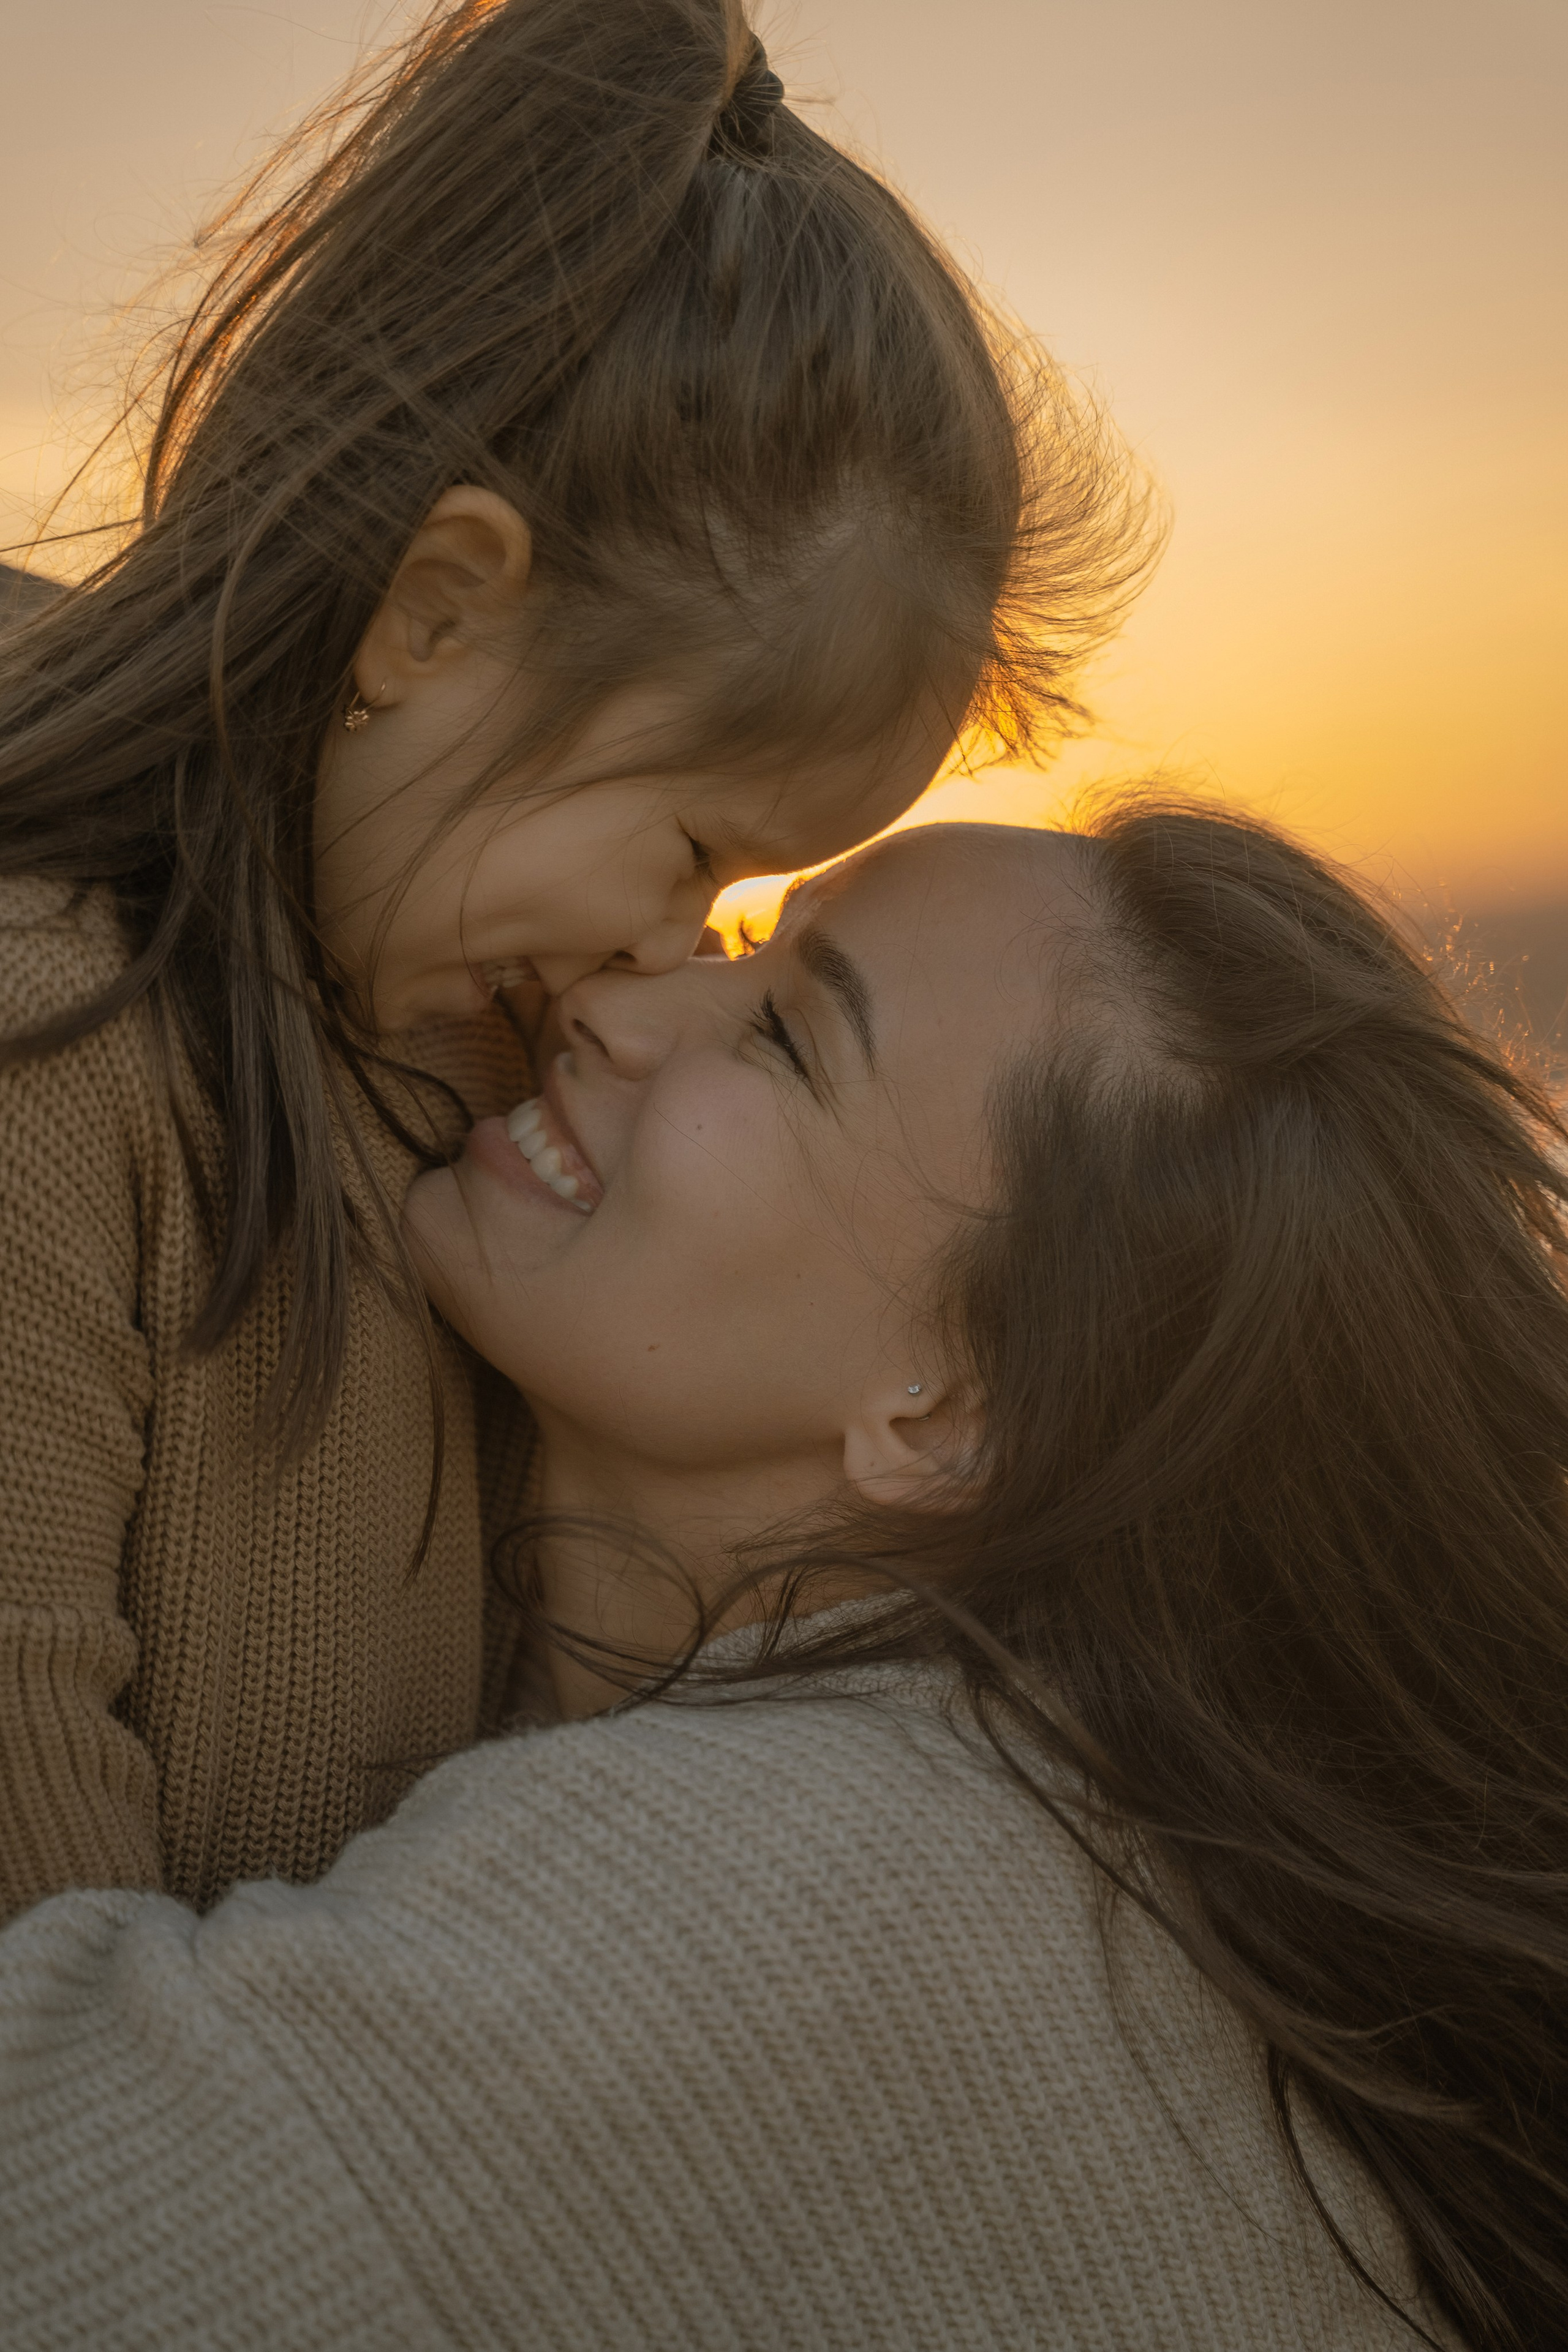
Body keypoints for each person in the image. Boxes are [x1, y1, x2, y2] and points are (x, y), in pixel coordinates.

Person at [4, 800, 1566, 2351]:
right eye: (747, 939)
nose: (609, 1003)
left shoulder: (788, 1903)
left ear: (945, 1416)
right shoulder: (1077, 1820)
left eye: (784, 1044)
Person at [0, 0, 1148, 1923]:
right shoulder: (53, 1060)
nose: (654, 963)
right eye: (694, 850)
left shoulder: (481, 1088)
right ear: (437, 617)